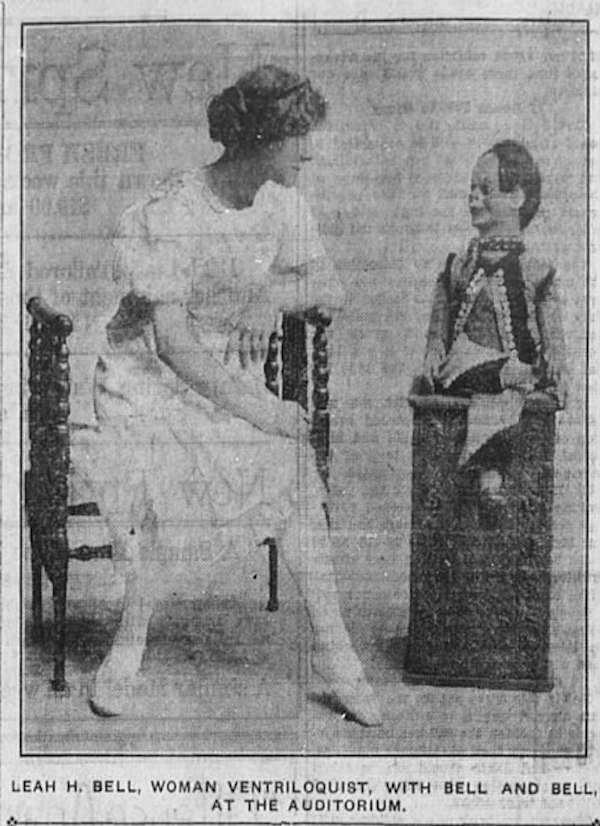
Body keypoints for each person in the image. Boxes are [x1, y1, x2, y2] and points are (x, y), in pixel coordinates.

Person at [78, 65, 382, 726]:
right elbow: (172, 345)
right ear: (259, 136)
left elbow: (331, 282)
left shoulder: (282, 204)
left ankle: (338, 659)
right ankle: (127, 646)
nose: (309, 151)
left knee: (293, 473)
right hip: (142, 384)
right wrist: (266, 410)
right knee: (153, 475)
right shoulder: (174, 210)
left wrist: (275, 294)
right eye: (298, 135)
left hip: (215, 380)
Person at [421, 139, 567, 504]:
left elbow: (551, 330)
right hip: (462, 371)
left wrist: (558, 365)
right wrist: (433, 352)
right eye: (471, 189)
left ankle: (490, 477)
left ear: (516, 196)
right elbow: (440, 321)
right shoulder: (460, 265)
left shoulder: (537, 271)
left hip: (509, 385)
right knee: (498, 376)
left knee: (504, 403)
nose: (473, 198)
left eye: (485, 189)